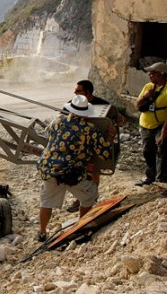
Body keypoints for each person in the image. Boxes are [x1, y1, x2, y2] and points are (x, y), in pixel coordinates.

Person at [36, 95, 115, 242]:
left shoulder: (57, 120)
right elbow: (104, 153)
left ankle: (41, 232)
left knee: (47, 202)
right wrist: (111, 136)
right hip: (71, 172)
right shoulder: (89, 129)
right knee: (89, 196)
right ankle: (81, 226)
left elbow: (48, 135)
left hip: (49, 169)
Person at [65, 79, 123, 212]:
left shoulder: (103, 104)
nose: (75, 93)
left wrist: (118, 122)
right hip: (78, 149)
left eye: (78, 91)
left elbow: (116, 121)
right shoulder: (71, 104)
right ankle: (82, 199)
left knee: (94, 173)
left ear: (88, 92)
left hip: (96, 147)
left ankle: (91, 198)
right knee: (79, 175)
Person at [135, 62, 167, 186]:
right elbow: (137, 104)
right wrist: (145, 96)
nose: (150, 75)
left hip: (161, 125)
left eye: (153, 73)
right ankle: (150, 176)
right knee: (147, 151)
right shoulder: (148, 86)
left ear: (162, 75)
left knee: (162, 151)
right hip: (145, 124)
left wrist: (164, 132)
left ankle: (161, 178)